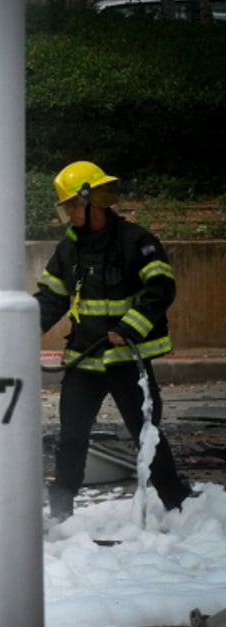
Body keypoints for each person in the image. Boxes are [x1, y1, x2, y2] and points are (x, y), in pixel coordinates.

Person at [36, 160, 194, 521]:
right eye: (68, 207)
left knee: (147, 436)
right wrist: (17, 331)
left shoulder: (137, 242)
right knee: (71, 439)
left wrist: (128, 329)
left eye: (74, 204)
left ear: (95, 200)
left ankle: (180, 508)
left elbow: (160, 289)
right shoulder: (68, 249)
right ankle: (60, 515)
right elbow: (51, 299)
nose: (70, 213)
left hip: (128, 362)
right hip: (85, 363)